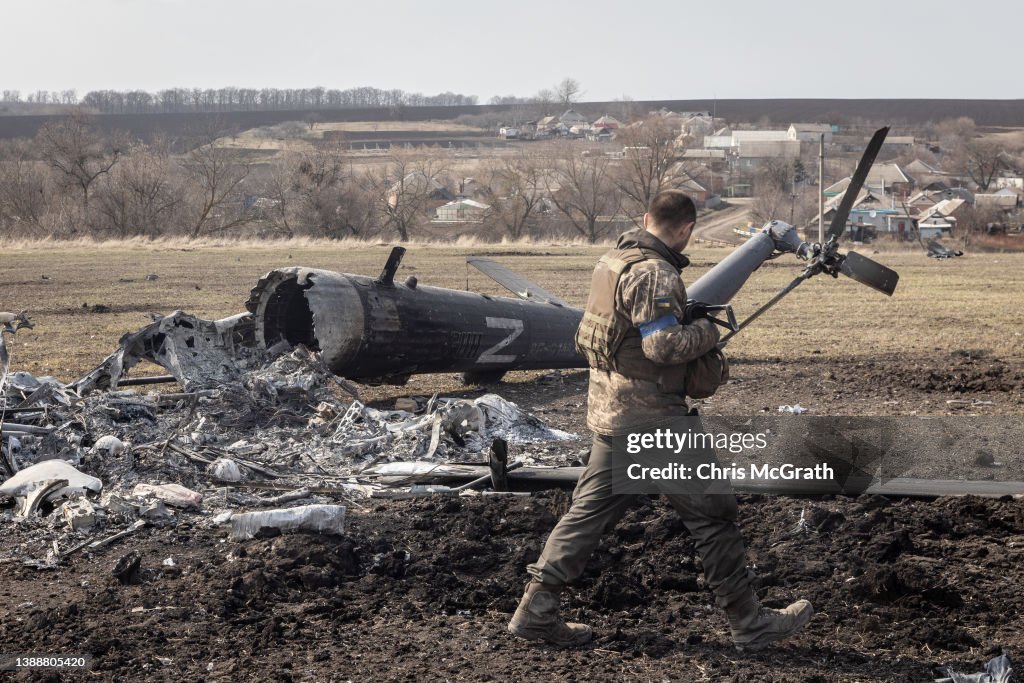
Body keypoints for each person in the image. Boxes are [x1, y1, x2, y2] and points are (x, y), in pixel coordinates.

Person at [507, 190, 812, 651]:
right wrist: (711, 329)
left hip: (612, 414)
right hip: (656, 423)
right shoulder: (655, 274)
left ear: (646, 218)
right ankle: (750, 623)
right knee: (713, 516)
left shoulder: (612, 262)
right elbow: (663, 348)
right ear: (687, 229)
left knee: (585, 516)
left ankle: (535, 611)